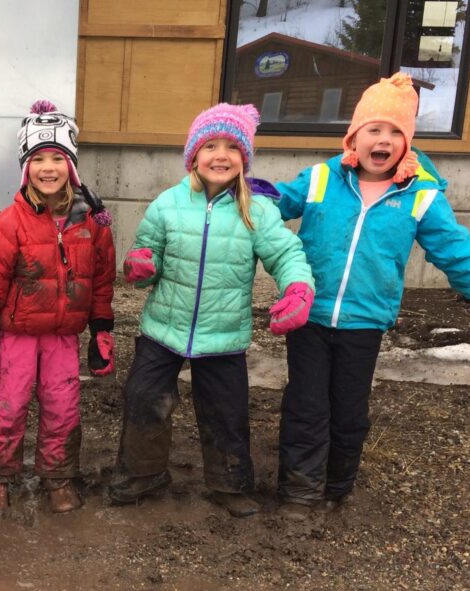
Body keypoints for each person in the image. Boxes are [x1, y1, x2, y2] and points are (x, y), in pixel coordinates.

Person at [274, 73, 470, 521]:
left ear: (407, 143)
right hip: (310, 316)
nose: (384, 139)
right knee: (306, 403)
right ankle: (299, 491)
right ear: (354, 137)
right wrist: (231, 193)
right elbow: (267, 208)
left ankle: (337, 486)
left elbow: (457, 254)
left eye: (396, 132)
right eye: (374, 129)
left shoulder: (420, 196)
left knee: (349, 408)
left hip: (365, 322)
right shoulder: (320, 178)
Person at [108, 103, 315, 517]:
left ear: (244, 158)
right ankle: (142, 473)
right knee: (144, 398)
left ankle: (230, 483)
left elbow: (286, 253)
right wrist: (140, 265)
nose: (220, 155)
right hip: (163, 328)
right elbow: (145, 255)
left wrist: (298, 288)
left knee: (227, 410)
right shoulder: (168, 204)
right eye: (210, 145)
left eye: (232, 148)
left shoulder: (256, 210)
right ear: (194, 155)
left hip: (223, 334)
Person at [0, 100, 116, 513]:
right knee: (10, 406)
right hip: (17, 334)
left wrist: (102, 330)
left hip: (64, 337)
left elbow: (101, 279)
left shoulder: (92, 222)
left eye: (57, 158)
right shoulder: (9, 223)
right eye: (38, 159)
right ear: (25, 167)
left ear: (71, 166)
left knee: (63, 409)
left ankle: (58, 475)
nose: (48, 168)